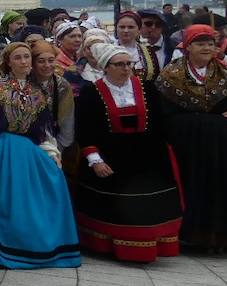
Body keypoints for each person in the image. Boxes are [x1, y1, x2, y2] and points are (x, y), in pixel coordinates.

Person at [0, 43, 81, 269]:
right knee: (10, 197)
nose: (23, 61)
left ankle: (40, 244)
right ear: (8, 62)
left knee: (53, 175)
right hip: (5, 146)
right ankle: (2, 244)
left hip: (29, 148)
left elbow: (43, 129)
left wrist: (51, 151)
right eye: (18, 58)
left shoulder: (37, 91)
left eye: (26, 57)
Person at [154, 24, 227, 253]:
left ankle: (221, 238)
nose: (207, 48)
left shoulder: (226, 72)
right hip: (187, 146)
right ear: (188, 47)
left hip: (223, 147)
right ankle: (191, 236)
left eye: (210, 43)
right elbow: (160, 110)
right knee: (193, 188)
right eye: (200, 43)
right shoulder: (171, 75)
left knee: (222, 188)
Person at [74, 45, 184, 262]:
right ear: (106, 68)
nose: (126, 69)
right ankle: (112, 247)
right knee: (115, 206)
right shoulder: (91, 93)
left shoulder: (147, 88)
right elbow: (85, 130)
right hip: (112, 157)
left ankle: (149, 246)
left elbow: (161, 123)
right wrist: (94, 159)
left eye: (129, 64)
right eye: (120, 65)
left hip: (148, 157)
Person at [31, 40, 76, 173]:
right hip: (27, 144)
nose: (47, 65)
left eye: (51, 60)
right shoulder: (24, 83)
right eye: (41, 61)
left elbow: (67, 119)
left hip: (55, 143)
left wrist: (58, 147)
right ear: (33, 63)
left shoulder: (62, 85)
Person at [114, 10, 158, 83]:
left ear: (139, 30)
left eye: (131, 27)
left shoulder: (149, 51)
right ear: (116, 29)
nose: (126, 30)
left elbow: (155, 77)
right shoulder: (108, 51)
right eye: (122, 27)